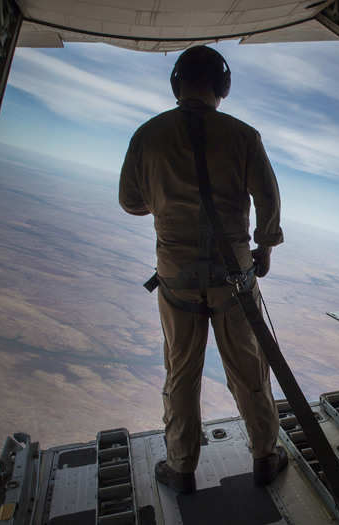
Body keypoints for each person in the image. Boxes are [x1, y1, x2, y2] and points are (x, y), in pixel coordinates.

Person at [119, 45, 287, 493]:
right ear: (223, 86)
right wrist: (264, 248)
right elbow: (268, 199)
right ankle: (265, 457)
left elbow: (130, 202)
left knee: (181, 372)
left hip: (176, 278)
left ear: (177, 83)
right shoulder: (243, 136)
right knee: (248, 370)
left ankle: (180, 467)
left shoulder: (147, 135)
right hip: (235, 276)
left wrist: (168, 205)